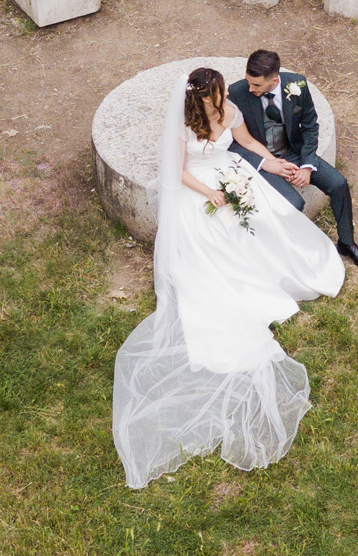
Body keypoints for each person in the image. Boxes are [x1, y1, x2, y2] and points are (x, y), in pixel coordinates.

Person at [112, 67, 345, 488]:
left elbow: (246, 142)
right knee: (216, 238)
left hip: (233, 173)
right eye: (214, 96)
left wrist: (271, 163)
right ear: (197, 99)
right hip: (200, 187)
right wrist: (211, 193)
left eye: (221, 93)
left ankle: (276, 269)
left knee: (266, 223)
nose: (221, 101)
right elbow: (177, 171)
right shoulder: (184, 125)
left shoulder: (229, 108)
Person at [226, 50, 358, 269]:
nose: (251, 88)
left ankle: (346, 242)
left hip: (294, 152)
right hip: (263, 160)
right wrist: (265, 163)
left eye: (256, 85)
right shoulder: (237, 93)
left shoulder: (297, 85)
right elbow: (232, 142)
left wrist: (306, 166)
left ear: (275, 80)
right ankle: (290, 257)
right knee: (294, 204)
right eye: (249, 82)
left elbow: (310, 126)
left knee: (338, 184)